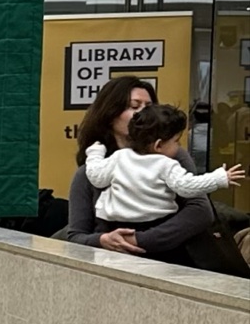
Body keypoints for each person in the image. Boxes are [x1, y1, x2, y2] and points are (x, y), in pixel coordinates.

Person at [65, 76, 216, 264]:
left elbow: (200, 211)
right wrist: (102, 240)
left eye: (149, 106)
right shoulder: (91, 169)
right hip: (112, 269)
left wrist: (138, 241)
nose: (142, 113)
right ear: (110, 115)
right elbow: (76, 237)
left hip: (172, 265)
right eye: (134, 106)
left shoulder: (173, 156)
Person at [85, 102, 242, 237]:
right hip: (155, 224)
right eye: (176, 141)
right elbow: (187, 187)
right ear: (158, 145)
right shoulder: (166, 164)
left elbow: (96, 177)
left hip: (113, 225)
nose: (179, 146)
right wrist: (219, 178)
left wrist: (95, 154)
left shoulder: (119, 157)